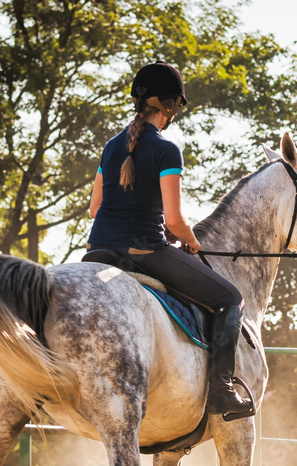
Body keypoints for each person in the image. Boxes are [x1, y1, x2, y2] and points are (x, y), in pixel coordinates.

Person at [86, 60, 253, 421]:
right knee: (230, 299)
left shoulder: (111, 147)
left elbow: (93, 208)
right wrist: (191, 243)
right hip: (143, 252)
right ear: (172, 106)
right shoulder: (166, 150)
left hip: (98, 251)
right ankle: (222, 392)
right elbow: (175, 222)